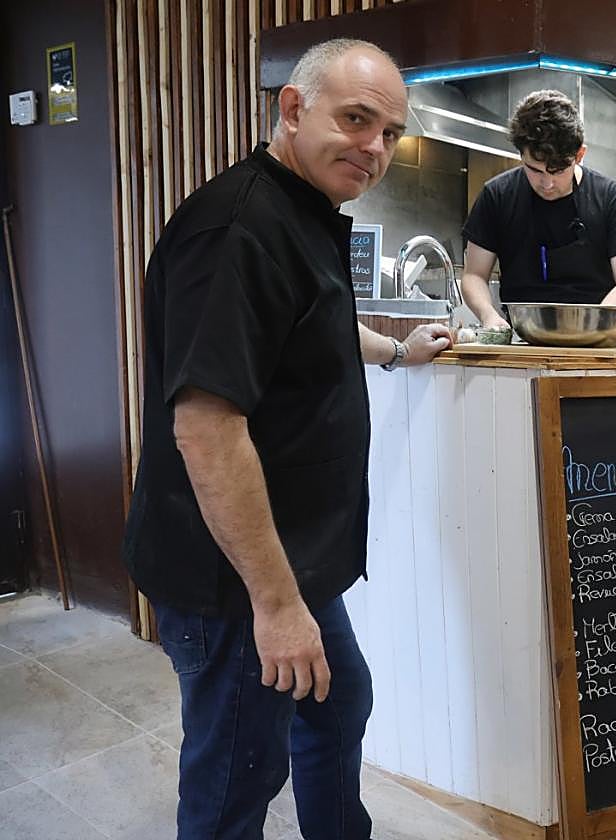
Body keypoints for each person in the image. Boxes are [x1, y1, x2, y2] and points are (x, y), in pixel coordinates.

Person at [120, 38, 452, 839]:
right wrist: (274, 606)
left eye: (390, 133)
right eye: (356, 120)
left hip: (287, 557)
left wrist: (398, 352)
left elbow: (315, 326)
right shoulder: (239, 230)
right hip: (235, 577)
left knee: (338, 704)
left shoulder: (300, 212)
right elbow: (206, 428)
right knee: (236, 777)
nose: (375, 147)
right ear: (293, 109)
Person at [460, 89, 616, 327]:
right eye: (535, 170)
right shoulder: (496, 196)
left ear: (579, 155)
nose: (547, 184)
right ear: (521, 155)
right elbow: (474, 275)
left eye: (557, 171)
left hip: (598, 334)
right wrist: (489, 316)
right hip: (523, 335)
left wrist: (595, 325)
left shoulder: (611, 199)